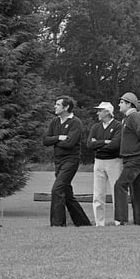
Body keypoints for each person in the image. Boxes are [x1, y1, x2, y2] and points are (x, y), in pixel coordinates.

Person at [42, 96, 92, 227]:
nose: (55, 106)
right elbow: (45, 140)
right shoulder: (55, 121)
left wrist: (55, 141)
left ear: (66, 107)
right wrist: (59, 137)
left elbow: (70, 143)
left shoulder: (76, 122)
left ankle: (57, 224)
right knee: (67, 194)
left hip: (71, 160)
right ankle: (83, 223)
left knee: (57, 189)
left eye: (58, 104)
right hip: (58, 161)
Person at [114, 92, 140, 226]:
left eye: (122, 102)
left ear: (129, 104)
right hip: (134, 158)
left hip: (135, 159)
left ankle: (121, 220)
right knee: (137, 190)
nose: (119, 104)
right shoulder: (128, 118)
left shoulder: (133, 117)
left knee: (120, 185)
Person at [86, 101, 123, 227]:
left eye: (100, 110)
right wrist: (105, 142)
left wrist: (99, 143)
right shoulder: (96, 127)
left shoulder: (118, 126)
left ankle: (119, 221)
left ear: (107, 112)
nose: (98, 113)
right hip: (99, 162)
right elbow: (89, 145)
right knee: (98, 194)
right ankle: (99, 223)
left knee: (116, 191)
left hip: (114, 161)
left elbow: (115, 145)